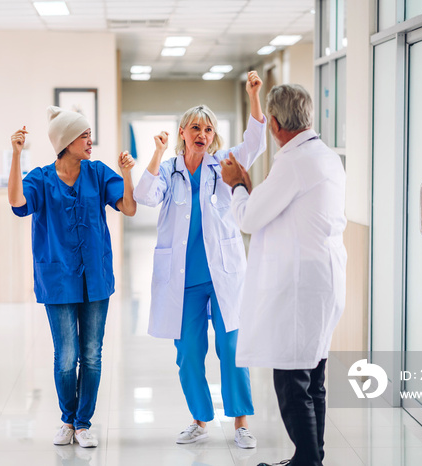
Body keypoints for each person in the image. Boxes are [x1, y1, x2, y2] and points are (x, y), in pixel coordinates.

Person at [133, 71, 267, 449]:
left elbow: (254, 144)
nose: (202, 134)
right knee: (188, 354)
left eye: (208, 129)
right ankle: (200, 420)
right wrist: (157, 153)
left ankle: (241, 423)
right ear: (182, 132)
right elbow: (144, 194)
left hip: (223, 274)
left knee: (231, 348)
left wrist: (254, 95)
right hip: (183, 280)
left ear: (213, 137)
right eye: (195, 127)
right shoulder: (170, 170)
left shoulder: (223, 163)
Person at [220, 84, 347, 466]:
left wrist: (237, 186)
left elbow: (249, 217)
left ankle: (307, 461)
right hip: (323, 279)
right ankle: (311, 457)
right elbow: (281, 208)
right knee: (313, 376)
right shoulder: (324, 155)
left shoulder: (292, 162)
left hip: (301, 285)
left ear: (274, 123)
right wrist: (249, 189)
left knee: (292, 380)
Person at [8, 106, 137, 448]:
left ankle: (83, 423)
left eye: (90, 135)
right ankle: (67, 419)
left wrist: (126, 174)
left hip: (96, 278)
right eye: (84, 136)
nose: (90, 141)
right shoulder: (41, 178)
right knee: (66, 356)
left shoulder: (97, 173)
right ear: (65, 142)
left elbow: (129, 207)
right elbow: (17, 201)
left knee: (91, 353)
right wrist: (16, 156)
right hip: (58, 280)